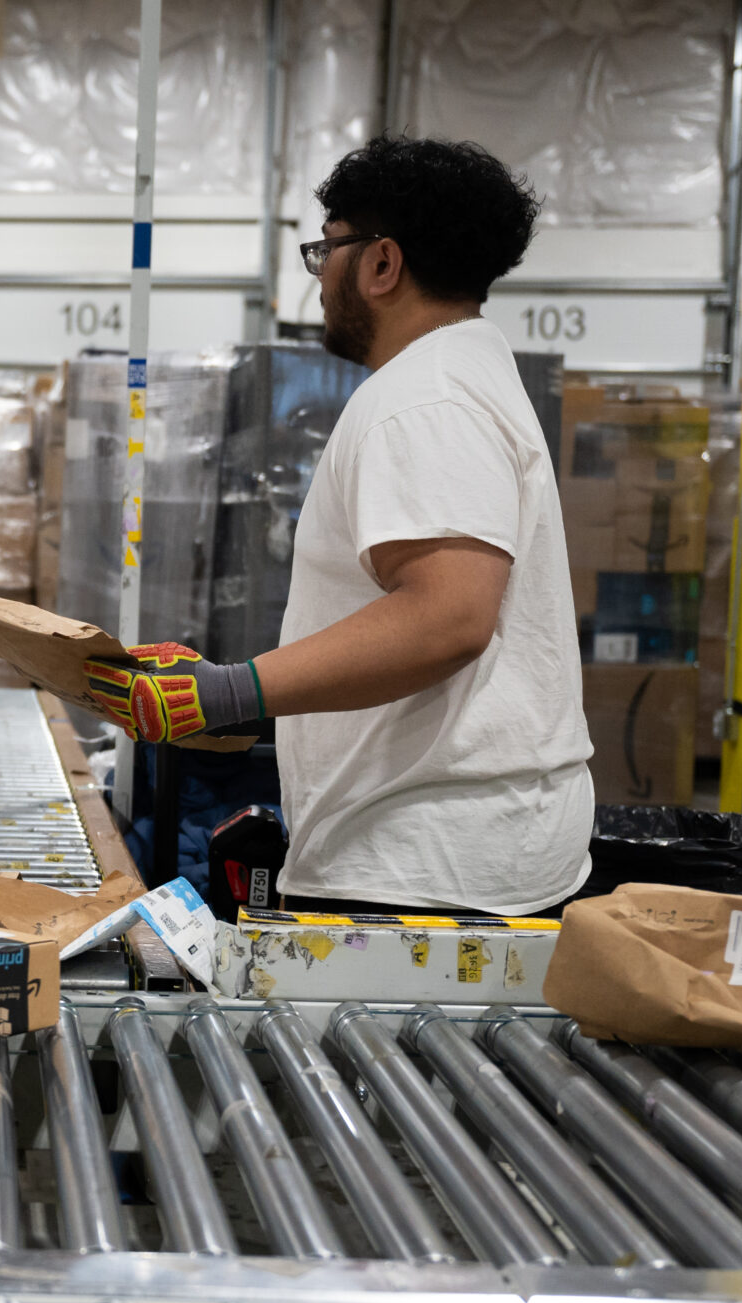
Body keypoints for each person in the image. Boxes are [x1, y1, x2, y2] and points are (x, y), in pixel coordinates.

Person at [85, 136, 592, 916]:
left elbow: (449, 615)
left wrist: (226, 692)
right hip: (451, 852)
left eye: (328, 248)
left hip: (424, 867)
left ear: (381, 263)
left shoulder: (427, 397)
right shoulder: (464, 376)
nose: (318, 276)